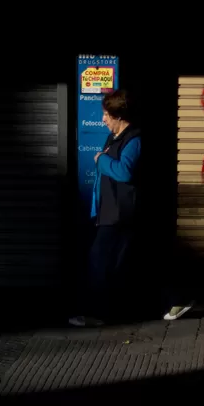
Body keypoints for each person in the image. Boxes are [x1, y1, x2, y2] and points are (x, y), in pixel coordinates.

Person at [69, 90, 143, 327]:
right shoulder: (115, 137)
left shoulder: (134, 140)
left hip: (120, 214)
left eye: (106, 115)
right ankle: (112, 313)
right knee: (112, 264)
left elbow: (124, 171)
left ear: (118, 115)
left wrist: (101, 159)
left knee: (99, 262)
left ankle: (97, 314)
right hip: (108, 212)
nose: (103, 119)